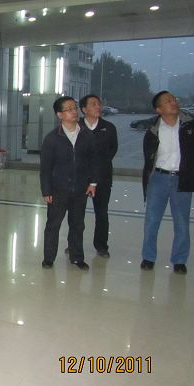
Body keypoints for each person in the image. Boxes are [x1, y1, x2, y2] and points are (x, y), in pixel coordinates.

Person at [140, 91, 194, 274]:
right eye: (168, 101)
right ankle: (148, 257)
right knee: (152, 220)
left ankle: (179, 260)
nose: (173, 102)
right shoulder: (152, 130)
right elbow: (148, 158)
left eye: (174, 99)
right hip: (158, 178)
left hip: (182, 178)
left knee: (182, 222)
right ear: (159, 109)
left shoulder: (190, 126)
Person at [40, 96, 97, 270]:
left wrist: (92, 183)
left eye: (75, 108)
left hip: (80, 188)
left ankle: (77, 257)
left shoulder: (87, 135)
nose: (74, 112)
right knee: (53, 224)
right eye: (69, 109)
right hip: (58, 189)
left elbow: (93, 161)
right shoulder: (52, 138)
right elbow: (45, 167)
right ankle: (49, 258)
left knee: (78, 224)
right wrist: (46, 191)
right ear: (59, 115)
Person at [79, 94, 118, 258]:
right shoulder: (76, 126)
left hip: (102, 177)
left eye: (99, 104)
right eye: (93, 104)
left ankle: (101, 245)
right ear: (84, 109)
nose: (98, 107)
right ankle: (74, 244)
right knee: (77, 214)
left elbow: (112, 149)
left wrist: (98, 168)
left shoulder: (108, 128)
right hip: (79, 177)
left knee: (101, 213)